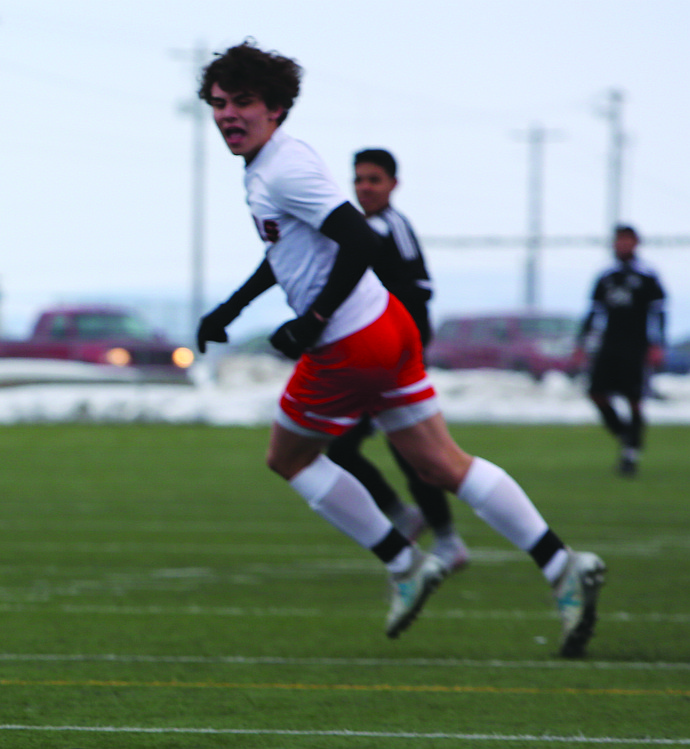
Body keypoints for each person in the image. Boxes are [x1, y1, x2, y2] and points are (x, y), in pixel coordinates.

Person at [194, 41, 604, 656]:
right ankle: (560, 564)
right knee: (442, 464)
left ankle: (404, 562)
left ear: (276, 107)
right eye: (219, 103)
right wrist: (232, 307)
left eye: (242, 102)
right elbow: (289, 251)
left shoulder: (282, 166)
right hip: (386, 328)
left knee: (290, 458)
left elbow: (359, 240)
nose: (228, 114)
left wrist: (313, 322)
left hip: (350, 340)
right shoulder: (270, 165)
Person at [324, 149, 469, 572]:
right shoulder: (364, 227)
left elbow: (417, 291)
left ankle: (445, 538)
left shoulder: (391, 228)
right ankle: (408, 517)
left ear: (393, 185)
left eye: (374, 180)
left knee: (410, 449)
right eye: (359, 180)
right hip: (373, 355)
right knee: (343, 447)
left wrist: (402, 348)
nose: (365, 187)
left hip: (394, 356)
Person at [575, 225, 666, 477]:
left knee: (634, 399)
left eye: (628, 241)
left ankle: (630, 456)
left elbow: (659, 313)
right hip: (610, 344)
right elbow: (594, 311)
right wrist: (581, 343)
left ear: (636, 243)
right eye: (619, 241)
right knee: (596, 393)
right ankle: (626, 435)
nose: (623, 245)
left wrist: (657, 344)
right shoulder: (606, 276)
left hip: (636, 346)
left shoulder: (648, 276)